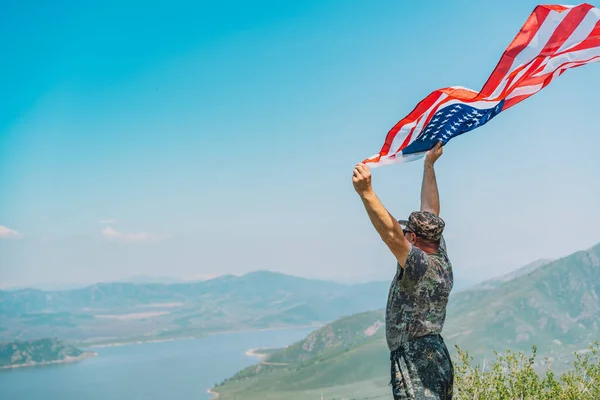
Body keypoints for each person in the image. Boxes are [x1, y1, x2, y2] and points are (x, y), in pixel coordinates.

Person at [352, 141, 454, 399]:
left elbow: (391, 235)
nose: (405, 235)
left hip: (416, 359)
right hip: (435, 353)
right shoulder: (439, 254)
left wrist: (366, 192)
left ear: (416, 241)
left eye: (409, 233)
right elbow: (430, 212)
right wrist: (429, 165)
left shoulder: (420, 266)